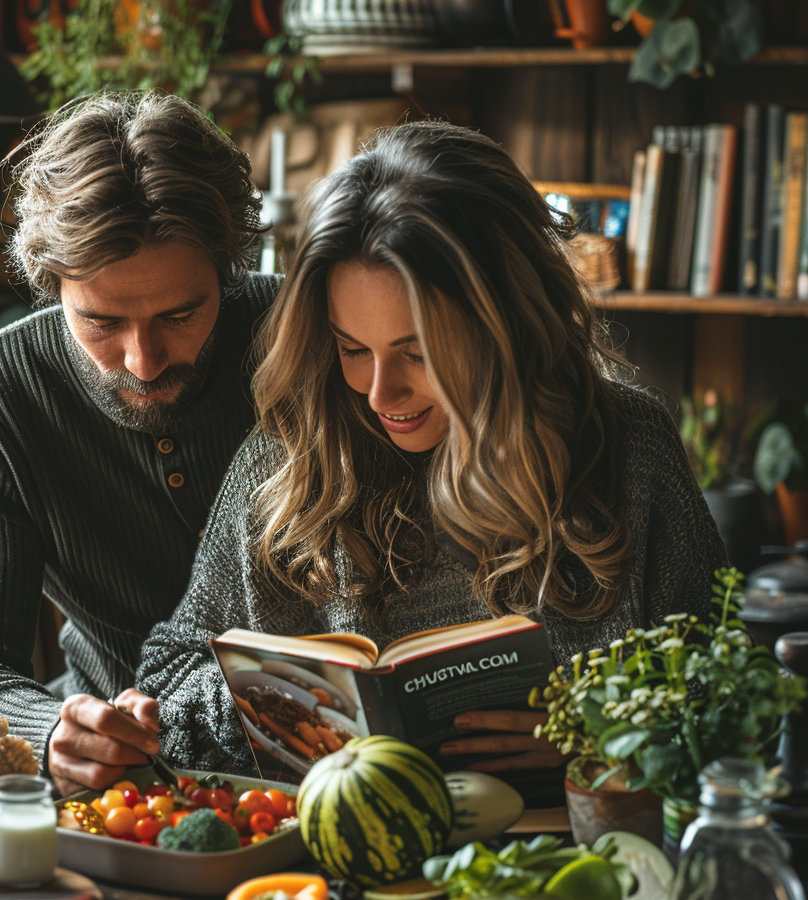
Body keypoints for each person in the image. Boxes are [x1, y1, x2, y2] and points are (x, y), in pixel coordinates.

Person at [134, 120, 727, 806]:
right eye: (352, 349)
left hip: (568, 871)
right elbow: (166, 675)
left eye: (419, 353)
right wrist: (267, 705)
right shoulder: (291, 457)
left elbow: (732, 702)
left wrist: (597, 739)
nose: (381, 394)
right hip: (330, 880)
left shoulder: (630, 449)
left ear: (507, 326)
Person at [0, 91, 280, 796]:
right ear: (49, 283)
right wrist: (49, 730)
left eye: (182, 314)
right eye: (100, 322)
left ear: (229, 267)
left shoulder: (303, 336)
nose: (143, 360)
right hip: (121, 781)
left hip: (328, 756)